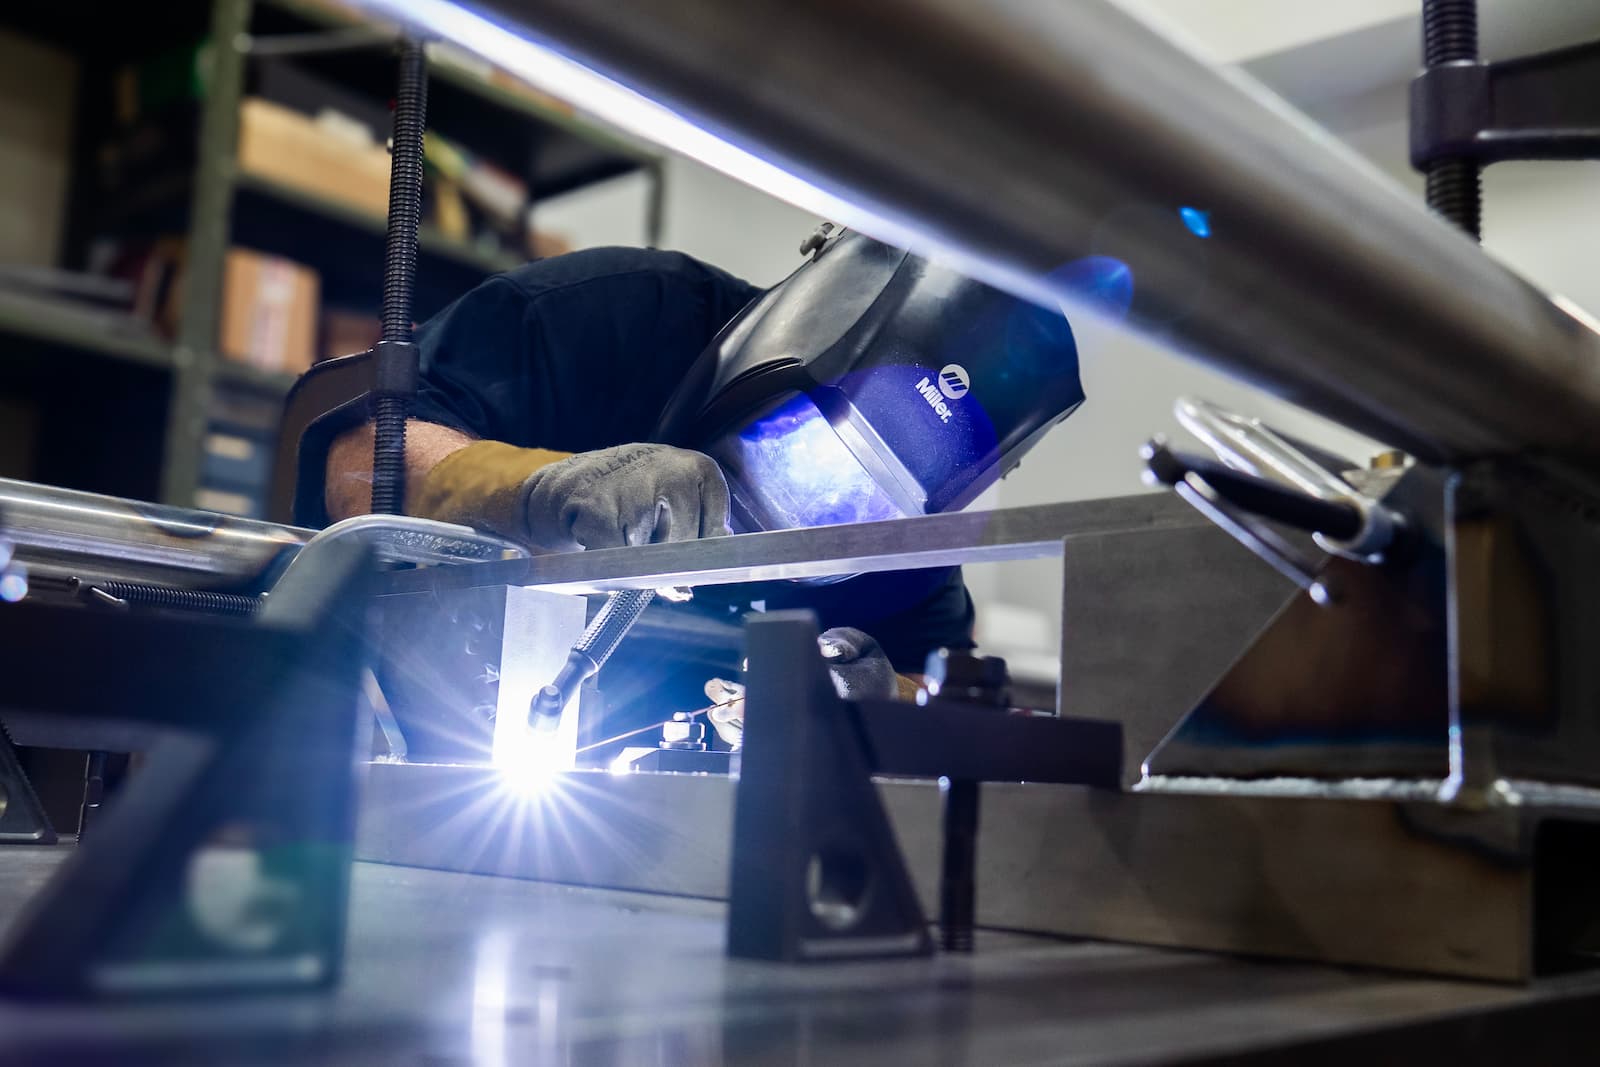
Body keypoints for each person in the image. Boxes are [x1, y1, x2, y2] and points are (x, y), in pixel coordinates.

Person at [325, 245, 975, 750]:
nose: (814, 507)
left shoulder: (914, 551)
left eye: (857, 509)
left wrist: (879, 699)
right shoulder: (618, 317)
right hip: (393, 737)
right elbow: (355, 469)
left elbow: (946, 702)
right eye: (798, 452)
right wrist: (538, 493)